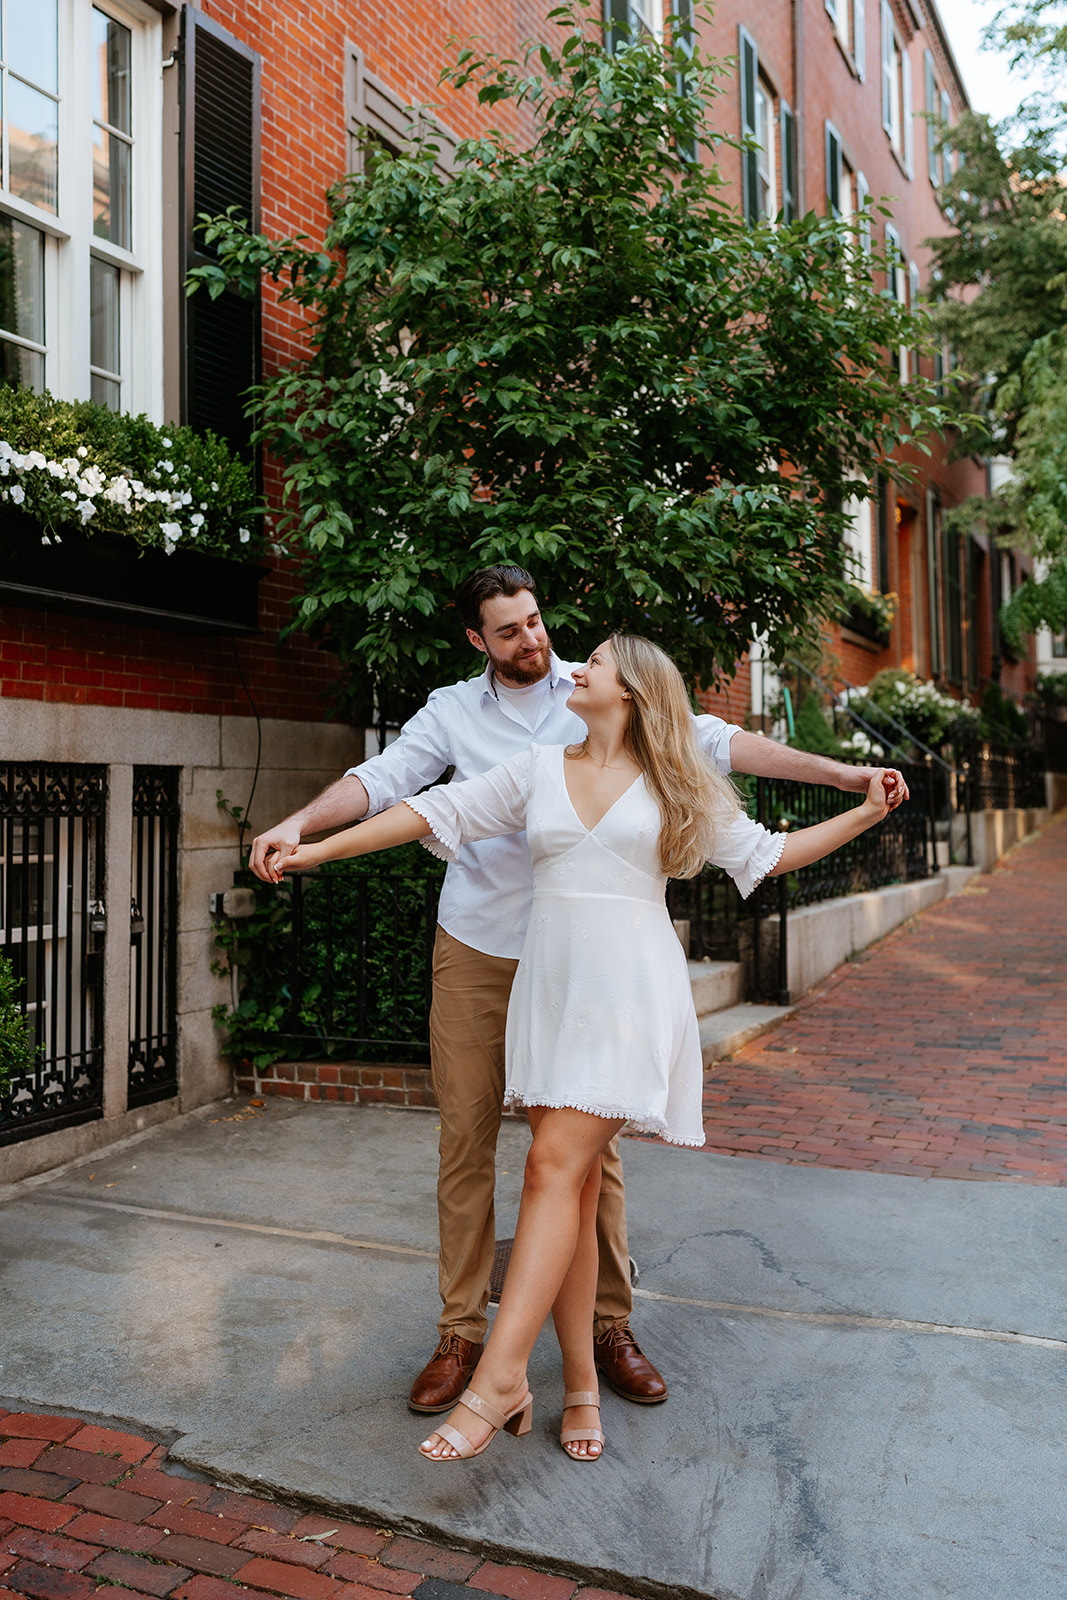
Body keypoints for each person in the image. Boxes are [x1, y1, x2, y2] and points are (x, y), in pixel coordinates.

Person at [250, 565, 908, 1415]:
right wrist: (303, 833)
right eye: (512, 631)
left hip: (599, 968)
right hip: (484, 948)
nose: (538, 643)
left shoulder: (602, 698)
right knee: (468, 1142)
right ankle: (463, 1335)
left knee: (588, 1156)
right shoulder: (469, 721)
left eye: (537, 623)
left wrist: (847, 780)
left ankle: (605, 1331)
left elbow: (718, 754)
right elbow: (401, 794)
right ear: (477, 640)